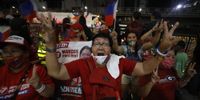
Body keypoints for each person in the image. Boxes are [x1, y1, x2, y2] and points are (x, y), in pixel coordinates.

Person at [38, 13, 179, 99]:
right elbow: (55, 71)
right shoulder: (82, 63)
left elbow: (144, 69)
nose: (100, 45)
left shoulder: (119, 62)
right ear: (91, 49)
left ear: (111, 49)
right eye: (97, 43)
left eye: (105, 44)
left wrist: (162, 50)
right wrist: (50, 42)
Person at [0, 34, 55, 99]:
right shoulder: (1, 72)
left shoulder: (37, 70)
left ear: (26, 53)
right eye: (5, 51)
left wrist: (39, 86)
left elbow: (50, 93)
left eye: (13, 51)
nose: (8, 55)